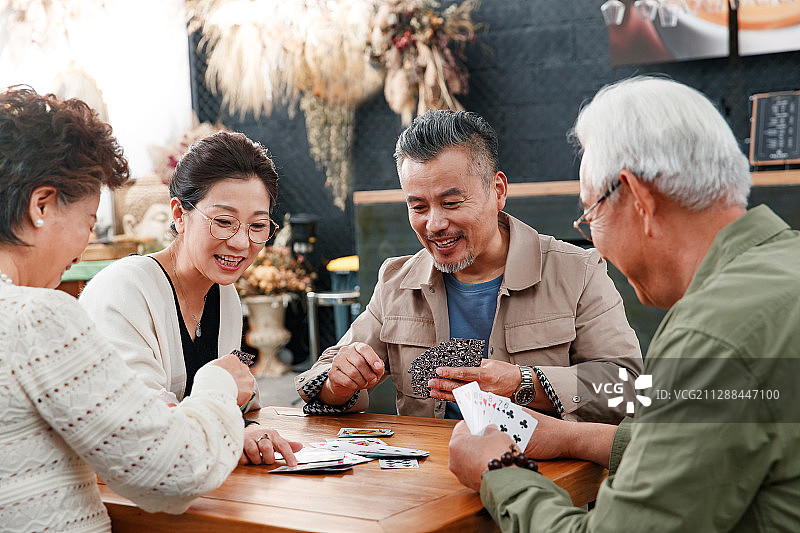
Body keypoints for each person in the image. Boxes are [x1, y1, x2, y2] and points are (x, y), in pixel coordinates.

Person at [448, 76, 800, 531]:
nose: (593, 242)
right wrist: (570, 436)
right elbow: (711, 430)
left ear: (638, 200)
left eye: (589, 214)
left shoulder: (711, 334)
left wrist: (500, 472)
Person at [0, 87, 255, 532]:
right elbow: (174, 471)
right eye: (88, 220)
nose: (84, 244)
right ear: (41, 205)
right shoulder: (36, 317)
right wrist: (217, 382)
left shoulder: (224, 299)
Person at [296, 110, 642, 423]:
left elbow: (628, 387)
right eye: (418, 207)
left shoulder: (576, 271)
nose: (434, 224)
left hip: (542, 482)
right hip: (430, 483)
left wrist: (524, 383)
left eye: (451, 202)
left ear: (498, 190)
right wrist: (339, 384)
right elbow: (323, 375)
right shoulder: (396, 282)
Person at [79, 131, 301, 466]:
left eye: (257, 226)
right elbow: (142, 426)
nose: (242, 243)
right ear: (180, 215)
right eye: (224, 222)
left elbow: (231, 406)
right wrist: (229, 432)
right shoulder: (123, 290)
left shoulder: (225, 296)